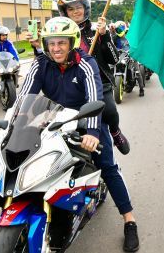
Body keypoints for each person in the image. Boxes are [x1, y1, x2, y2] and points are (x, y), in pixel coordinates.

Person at [20, 17, 139, 252]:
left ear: (72, 42)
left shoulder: (86, 62)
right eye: (51, 43)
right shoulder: (40, 64)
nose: (56, 48)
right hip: (54, 120)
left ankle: (129, 219)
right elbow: (25, 97)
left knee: (107, 166)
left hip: (85, 120)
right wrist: (15, 125)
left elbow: (95, 97)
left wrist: (93, 132)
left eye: (61, 43)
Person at [56, 0, 131, 154]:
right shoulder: (60, 33)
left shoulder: (96, 30)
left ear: (85, 7)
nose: (75, 12)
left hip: (99, 83)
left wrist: (104, 36)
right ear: (64, 11)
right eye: (70, 8)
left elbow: (113, 59)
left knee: (110, 110)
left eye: (78, 7)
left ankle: (115, 131)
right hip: (71, 83)